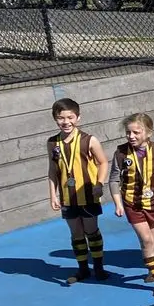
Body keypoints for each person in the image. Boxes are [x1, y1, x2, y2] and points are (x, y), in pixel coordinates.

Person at [108, 113, 154, 297]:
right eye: (128, 133)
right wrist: (118, 203)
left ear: (148, 133)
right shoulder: (121, 153)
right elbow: (113, 179)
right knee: (146, 240)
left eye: (136, 132)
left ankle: (153, 269)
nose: (131, 136)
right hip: (132, 204)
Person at [48, 98, 109, 284]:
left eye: (70, 117)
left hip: (88, 195)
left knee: (91, 230)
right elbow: (52, 170)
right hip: (68, 198)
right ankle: (83, 268)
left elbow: (103, 162)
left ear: (78, 118)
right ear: (55, 119)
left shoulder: (89, 140)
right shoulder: (52, 143)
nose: (66, 122)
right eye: (61, 118)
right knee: (76, 233)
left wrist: (99, 184)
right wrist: (53, 194)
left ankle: (98, 267)